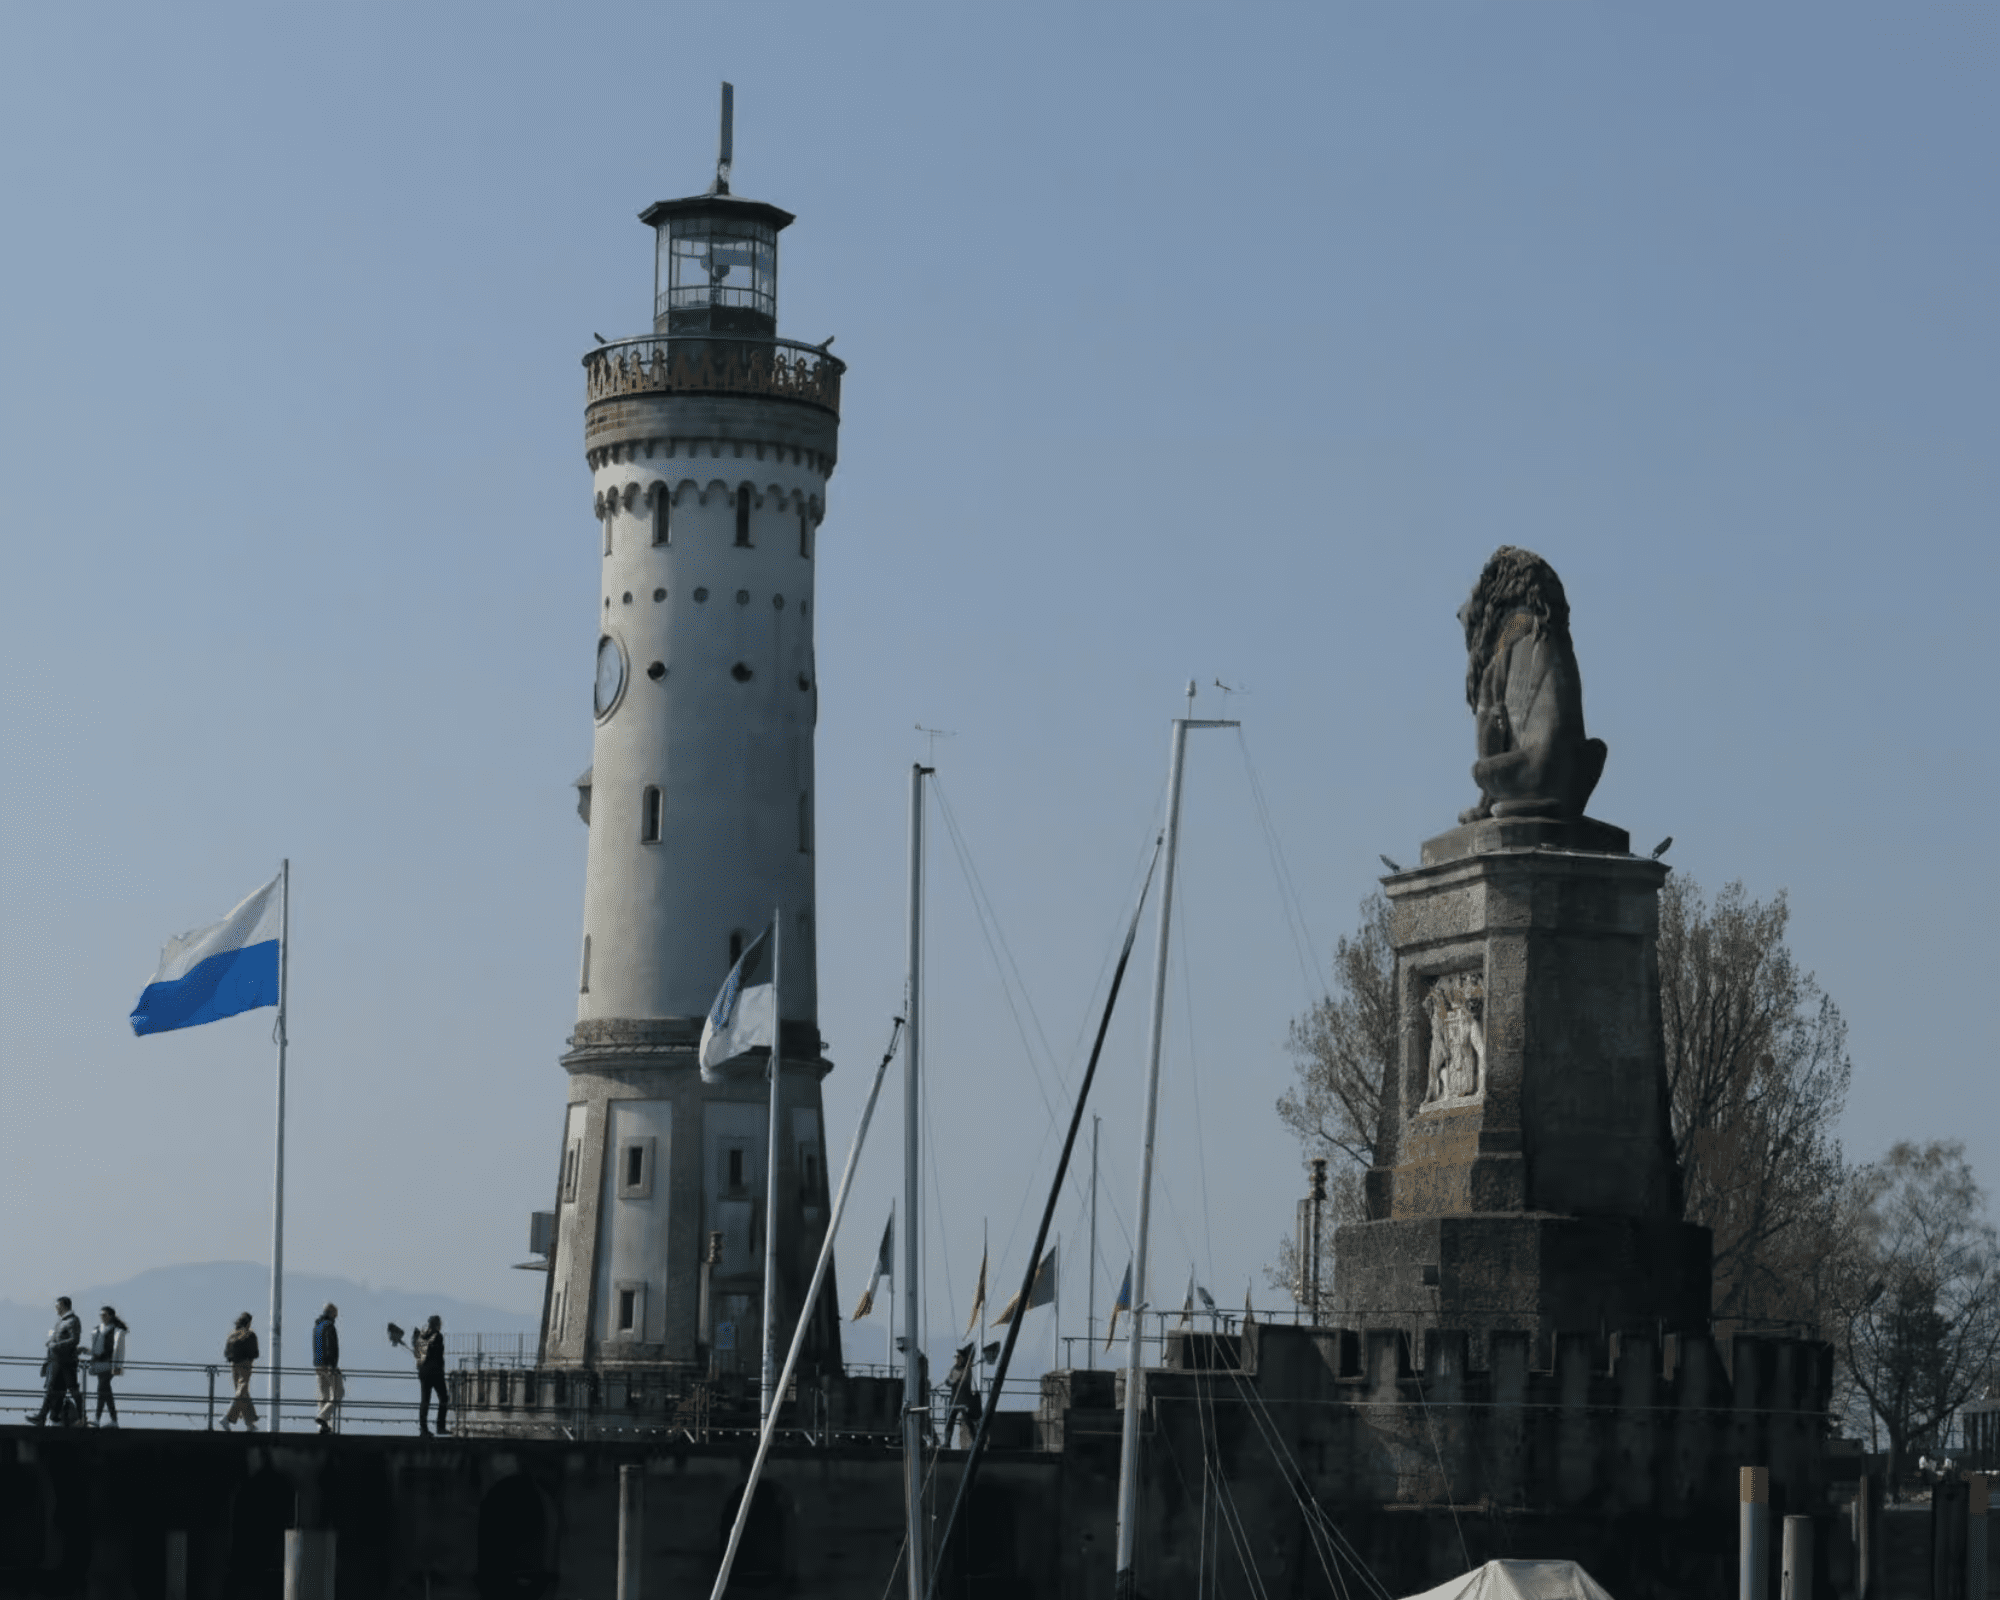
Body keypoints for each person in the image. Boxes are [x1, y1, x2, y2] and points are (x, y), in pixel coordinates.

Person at [28, 1297, 83, 1426]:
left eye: (57, 1306)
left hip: (66, 1363)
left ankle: (80, 1416)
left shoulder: (72, 1320)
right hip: (58, 1361)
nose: (56, 1309)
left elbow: (75, 1340)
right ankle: (45, 1416)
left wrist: (55, 1345)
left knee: (71, 1389)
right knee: (53, 1389)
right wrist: (51, 1343)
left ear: (63, 1305)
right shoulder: (62, 1321)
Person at [87, 1307, 128, 1428]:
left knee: (101, 1390)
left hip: (109, 1363)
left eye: (104, 1315)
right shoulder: (96, 1330)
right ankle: (113, 1420)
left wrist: (118, 1366)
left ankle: (97, 1419)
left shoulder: (117, 1331)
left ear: (110, 1316)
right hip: (99, 1363)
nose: (102, 1317)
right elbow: (96, 1349)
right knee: (106, 1392)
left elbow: (120, 1351)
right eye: (100, 1315)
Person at [410, 1314, 449, 1437]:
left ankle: (423, 1429)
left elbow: (418, 1353)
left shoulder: (422, 1336)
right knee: (444, 1398)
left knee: (425, 1401)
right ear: (437, 1324)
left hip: (424, 1372)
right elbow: (437, 1354)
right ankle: (440, 1427)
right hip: (436, 1373)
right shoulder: (438, 1336)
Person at [222, 1312, 260, 1431]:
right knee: (242, 1389)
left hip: (234, 1365)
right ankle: (227, 1418)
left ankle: (249, 1423)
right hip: (245, 1364)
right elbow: (255, 1352)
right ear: (248, 1322)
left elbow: (226, 1353)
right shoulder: (250, 1334)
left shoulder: (232, 1335)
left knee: (242, 1393)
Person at [312, 1303, 342, 1435]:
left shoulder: (317, 1327)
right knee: (338, 1394)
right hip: (328, 1365)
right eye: (335, 1315)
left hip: (318, 1366)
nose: (335, 1318)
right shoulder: (329, 1326)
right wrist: (333, 1366)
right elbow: (331, 1347)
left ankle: (324, 1427)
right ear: (331, 1314)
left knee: (323, 1396)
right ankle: (322, 1417)